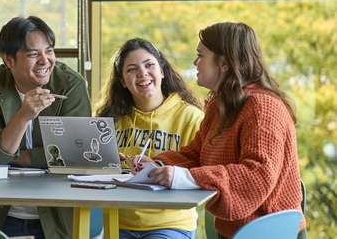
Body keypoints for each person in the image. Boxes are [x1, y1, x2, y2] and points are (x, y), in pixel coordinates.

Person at [131, 22, 307, 239]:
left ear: (223, 63)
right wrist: (157, 165)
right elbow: (195, 154)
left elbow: (256, 174)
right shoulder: (222, 106)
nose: (195, 62)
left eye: (200, 55)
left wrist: (183, 177)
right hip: (233, 230)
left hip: (268, 232)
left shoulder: (263, 107)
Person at [0, 15, 92, 239]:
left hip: (58, 214)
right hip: (4, 212)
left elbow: (76, 155)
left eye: (49, 51)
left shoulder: (71, 85)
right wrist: (24, 115)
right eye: (33, 54)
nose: (45, 61)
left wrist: (15, 155)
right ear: (8, 60)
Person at [94, 38, 204, 239]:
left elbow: (203, 171)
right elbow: (91, 173)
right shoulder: (109, 121)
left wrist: (162, 169)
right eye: (132, 69)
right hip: (116, 224)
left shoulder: (192, 118)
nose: (142, 73)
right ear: (122, 81)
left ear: (162, 71)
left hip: (171, 224)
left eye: (149, 65)